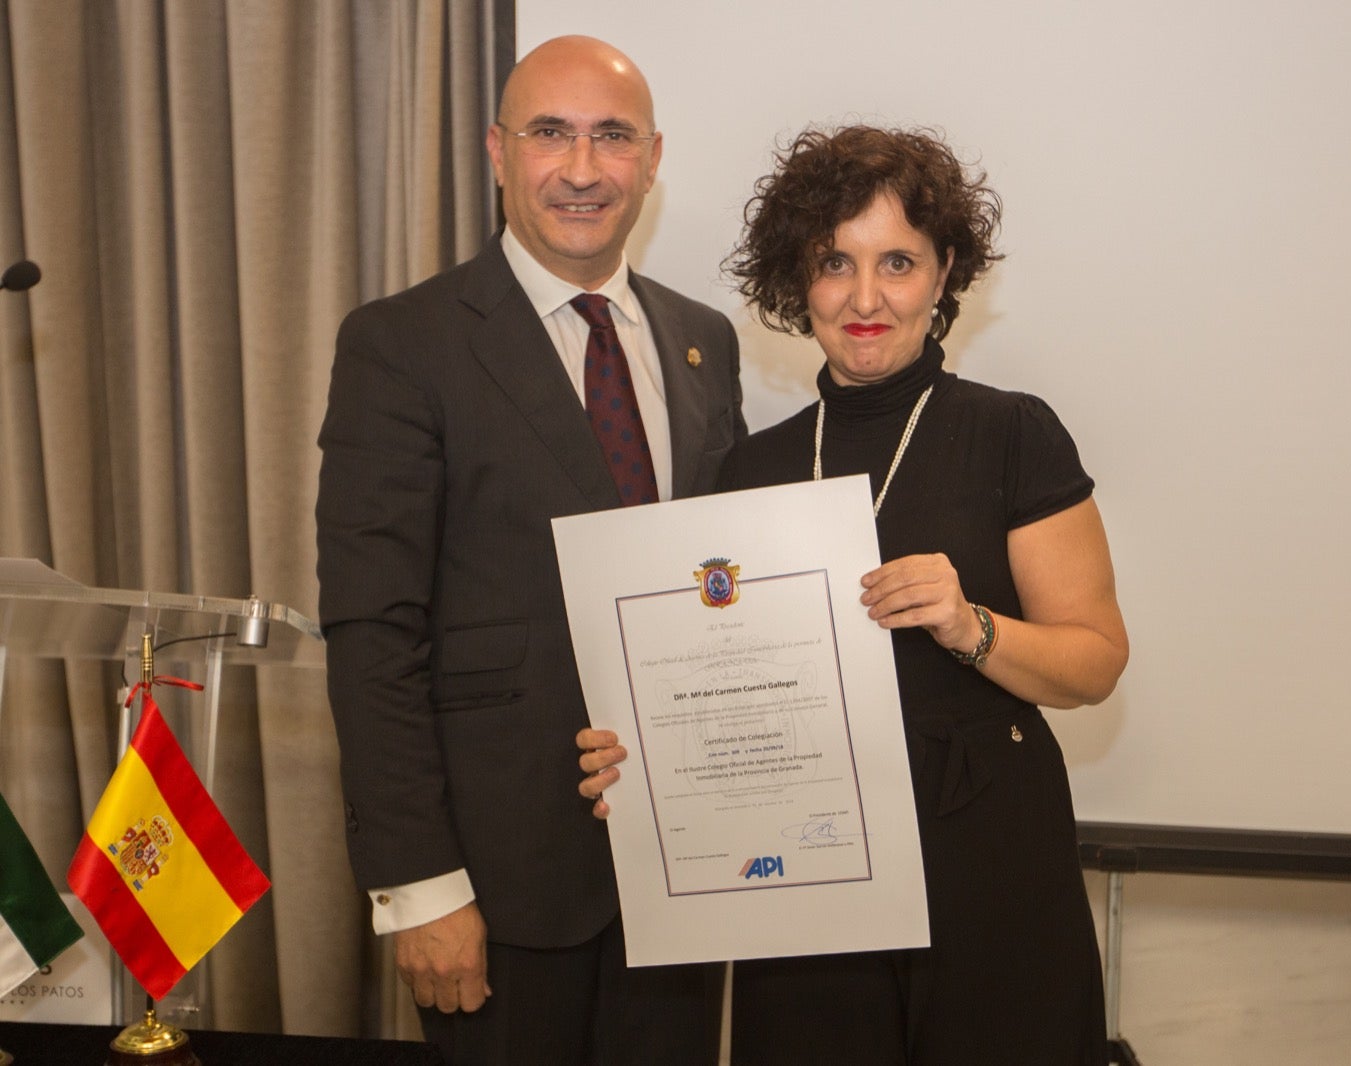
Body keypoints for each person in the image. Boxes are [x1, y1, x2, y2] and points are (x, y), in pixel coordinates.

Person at [579, 126, 1128, 1064]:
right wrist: (644, 761)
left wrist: (972, 626)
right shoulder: (750, 467)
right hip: (807, 885)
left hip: (992, 866)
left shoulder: (1012, 433)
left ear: (945, 270)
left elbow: (1095, 665)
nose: (865, 298)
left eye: (899, 263)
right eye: (836, 262)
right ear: (799, 279)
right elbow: (710, 682)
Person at [316, 35, 744, 1066]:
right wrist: (420, 886)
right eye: (551, 134)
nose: (583, 169)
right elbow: (374, 631)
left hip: (686, 877)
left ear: (651, 157)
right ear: (498, 150)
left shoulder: (703, 341)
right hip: (498, 890)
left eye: (612, 137)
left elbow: (718, 591)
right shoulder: (402, 344)